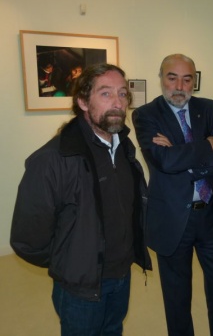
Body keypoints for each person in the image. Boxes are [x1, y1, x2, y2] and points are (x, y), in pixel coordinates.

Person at [10, 63, 152, 335]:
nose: (118, 103)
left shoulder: (124, 147)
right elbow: (27, 240)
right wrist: (70, 264)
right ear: (83, 102)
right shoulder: (52, 160)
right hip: (80, 286)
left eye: (123, 94)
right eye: (106, 94)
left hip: (122, 274)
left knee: (113, 330)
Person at [133, 53, 213, 336]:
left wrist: (182, 158)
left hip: (211, 214)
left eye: (187, 78)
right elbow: (163, 162)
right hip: (172, 219)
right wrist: (207, 145)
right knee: (177, 298)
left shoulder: (208, 107)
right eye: (172, 77)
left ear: (195, 81)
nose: (179, 85)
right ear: (161, 78)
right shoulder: (145, 115)